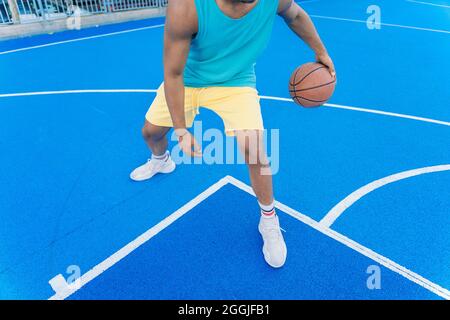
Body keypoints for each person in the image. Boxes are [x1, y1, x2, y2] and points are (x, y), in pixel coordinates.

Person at [130, 0, 335, 268]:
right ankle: (161, 160)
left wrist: (321, 52)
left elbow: (294, 14)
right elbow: (173, 73)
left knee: (255, 149)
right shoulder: (186, 8)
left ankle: (269, 219)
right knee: (151, 132)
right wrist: (181, 129)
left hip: (235, 81)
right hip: (189, 79)